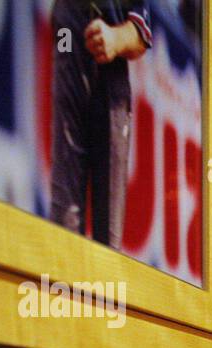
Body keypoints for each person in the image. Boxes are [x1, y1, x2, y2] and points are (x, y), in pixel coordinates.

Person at [49, 1, 153, 248]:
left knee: (108, 231)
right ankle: (62, 279)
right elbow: (61, 29)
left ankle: (100, 284)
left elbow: (141, 32)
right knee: (65, 216)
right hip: (70, 65)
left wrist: (115, 38)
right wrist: (65, 48)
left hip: (109, 79)